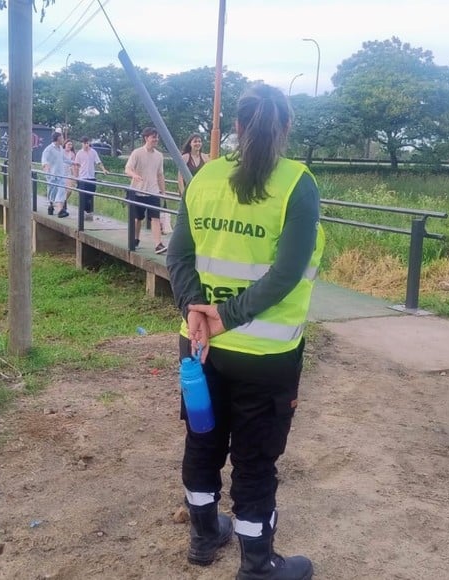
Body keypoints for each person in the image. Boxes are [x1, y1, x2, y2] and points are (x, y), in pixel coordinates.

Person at [166, 83, 325, 580]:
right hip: (266, 356)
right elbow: (286, 274)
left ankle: (204, 535)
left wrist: (197, 310)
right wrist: (226, 316)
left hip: (200, 349)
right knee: (255, 461)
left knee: (203, 440)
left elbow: (178, 257)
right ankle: (258, 565)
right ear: (287, 128)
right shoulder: (298, 185)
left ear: (235, 127)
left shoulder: (204, 177)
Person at [124, 127, 168, 254]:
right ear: (146, 138)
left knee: (155, 218)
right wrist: (134, 175)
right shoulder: (137, 153)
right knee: (138, 218)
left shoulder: (159, 156)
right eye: (153, 137)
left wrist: (163, 192)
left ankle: (158, 244)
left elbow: (160, 175)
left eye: (157, 137)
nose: (156, 139)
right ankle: (135, 238)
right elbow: (127, 168)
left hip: (153, 191)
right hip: (138, 191)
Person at [72, 136, 107, 221]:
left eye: (87, 143)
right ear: (82, 144)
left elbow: (98, 162)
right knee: (83, 196)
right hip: (82, 177)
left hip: (91, 177)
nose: (86, 145)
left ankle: (88, 213)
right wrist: (76, 178)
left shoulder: (93, 152)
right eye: (84, 143)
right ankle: (83, 213)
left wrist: (103, 169)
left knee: (90, 196)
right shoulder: (79, 153)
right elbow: (76, 165)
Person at [41, 131, 66, 216]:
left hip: (61, 174)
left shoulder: (61, 149)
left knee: (61, 190)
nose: (63, 139)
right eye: (62, 138)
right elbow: (44, 159)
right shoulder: (49, 149)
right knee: (52, 192)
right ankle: (51, 205)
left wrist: (74, 163)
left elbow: (64, 159)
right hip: (52, 174)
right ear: (58, 139)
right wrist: (45, 166)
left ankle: (60, 210)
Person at [59, 139, 77, 218]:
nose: (70, 146)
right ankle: (61, 206)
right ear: (65, 145)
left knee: (69, 190)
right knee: (62, 190)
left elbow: (73, 165)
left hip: (68, 173)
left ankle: (64, 201)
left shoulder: (72, 154)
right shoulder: (61, 152)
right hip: (61, 172)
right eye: (68, 144)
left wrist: (75, 175)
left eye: (71, 145)